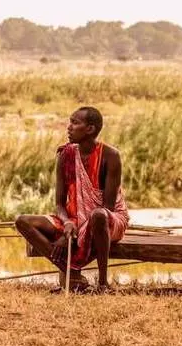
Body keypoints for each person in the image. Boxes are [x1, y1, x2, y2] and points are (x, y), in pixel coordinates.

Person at [15, 107, 129, 292]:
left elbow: (106, 208)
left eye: (75, 123)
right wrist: (67, 222)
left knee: (98, 215)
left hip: (108, 220)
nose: (69, 127)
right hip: (73, 217)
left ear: (90, 129)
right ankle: (73, 276)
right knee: (23, 221)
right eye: (70, 122)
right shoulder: (66, 155)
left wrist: (73, 232)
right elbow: (59, 203)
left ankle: (102, 283)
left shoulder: (111, 156)